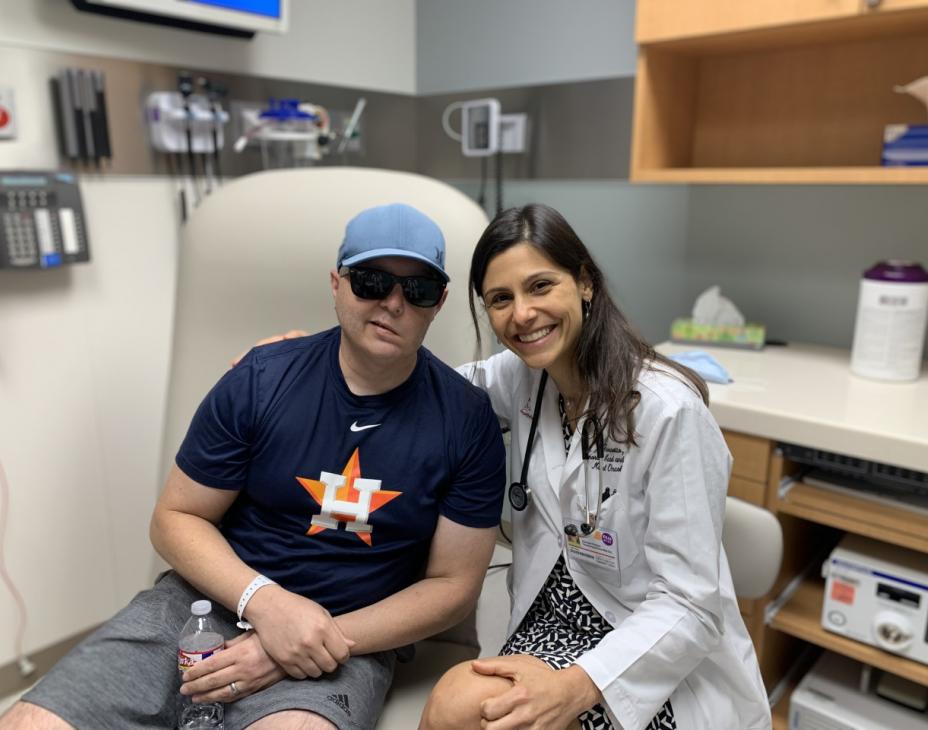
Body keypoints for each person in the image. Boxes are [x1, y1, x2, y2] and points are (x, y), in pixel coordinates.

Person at [0, 203, 506, 730]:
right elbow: (175, 517)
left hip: (345, 637)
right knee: (31, 722)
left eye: (417, 289)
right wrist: (264, 604)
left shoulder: (467, 422)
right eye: (371, 282)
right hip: (206, 601)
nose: (393, 303)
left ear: (439, 303)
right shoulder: (260, 381)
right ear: (336, 284)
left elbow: (452, 586)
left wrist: (309, 638)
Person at [416, 204, 771, 730]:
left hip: (645, 654)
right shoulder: (521, 377)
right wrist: (316, 357)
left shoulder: (665, 410)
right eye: (501, 299)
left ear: (584, 283)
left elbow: (690, 605)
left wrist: (576, 687)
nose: (522, 314)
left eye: (540, 286)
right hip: (548, 617)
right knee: (459, 706)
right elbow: (427, 386)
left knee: (469, 707)